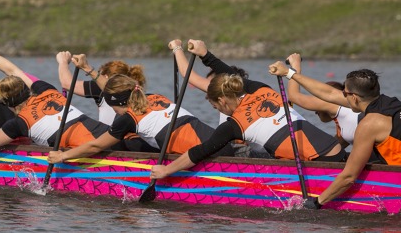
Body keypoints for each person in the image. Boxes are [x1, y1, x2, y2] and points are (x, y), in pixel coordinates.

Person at [150, 40, 344, 185]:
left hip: (321, 163)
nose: (216, 109)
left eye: (215, 106)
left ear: (222, 100)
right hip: (336, 150)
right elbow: (227, 71)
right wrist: (204, 53)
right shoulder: (260, 88)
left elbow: (198, 152)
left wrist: (166, 170)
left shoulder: (235, 126)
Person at [0, 35, 108, 155]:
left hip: (94, 146)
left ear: (7, 104)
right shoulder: (46, 90)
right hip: (109, 133)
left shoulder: (20, 123)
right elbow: (12, 70)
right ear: (27, 90)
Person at [268, 63, 401, 209]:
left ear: (354, 97)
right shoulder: (390, 103)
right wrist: (289, 73)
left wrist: (318, 202)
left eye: (344, 93)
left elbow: (349, 177)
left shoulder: (369, 125)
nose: (342, 96)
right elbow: (329, 93)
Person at [47, 69, 230, 165]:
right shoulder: (153, 96)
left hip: (210, 155)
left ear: (117, 104)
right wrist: (89, 69)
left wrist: (63, 156)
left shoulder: (128, 118)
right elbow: (114, 90)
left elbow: (96, 145)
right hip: (218, 142)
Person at [283, 53, 359, 151]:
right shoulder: (345, 128)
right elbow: (330, 149)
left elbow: (294, 96)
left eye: (317, 104)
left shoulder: (333, 104)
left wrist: (295, 65)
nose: (315, 111)